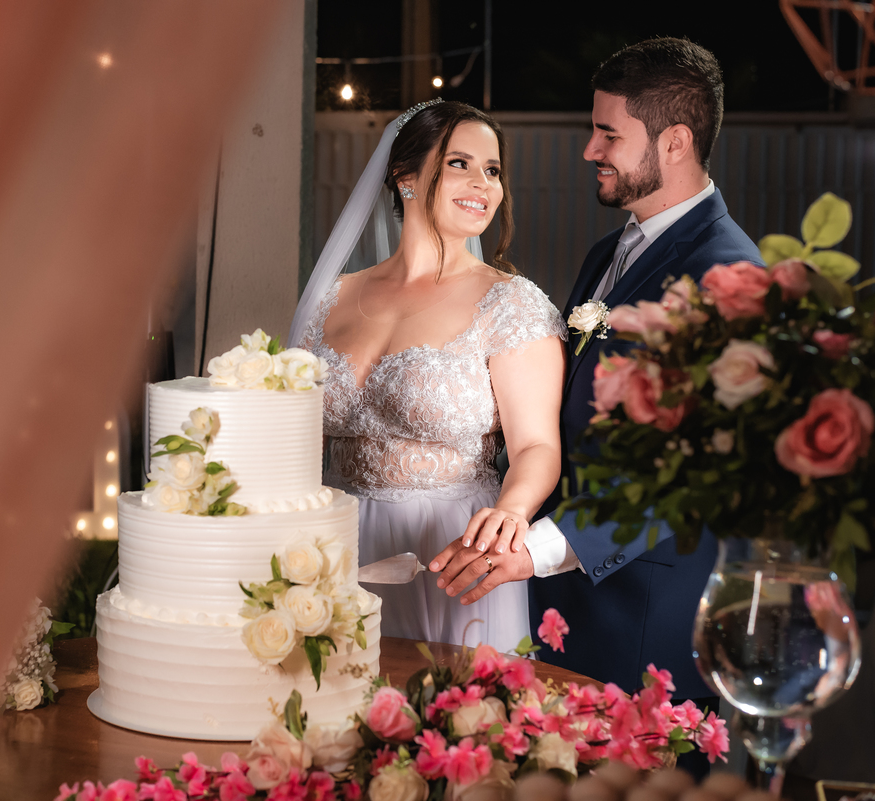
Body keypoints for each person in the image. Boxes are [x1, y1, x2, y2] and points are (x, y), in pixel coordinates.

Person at [428, 37, 763, 770]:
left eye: (609, 134)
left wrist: (536, 550)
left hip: (644, 628)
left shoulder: (727, 277)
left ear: (675, 142)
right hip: (571, 614)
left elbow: (687, 476)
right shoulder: (610, 253)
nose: (589, 150)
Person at [292, 101, 567, 651]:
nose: (484, 184)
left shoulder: (510, 304)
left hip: (449, 551)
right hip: (330, 546)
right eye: (460, 163)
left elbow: (537, 445)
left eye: (493, 170)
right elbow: (291, 435)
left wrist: (512, 511)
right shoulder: (331, 296)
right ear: (406, 177)